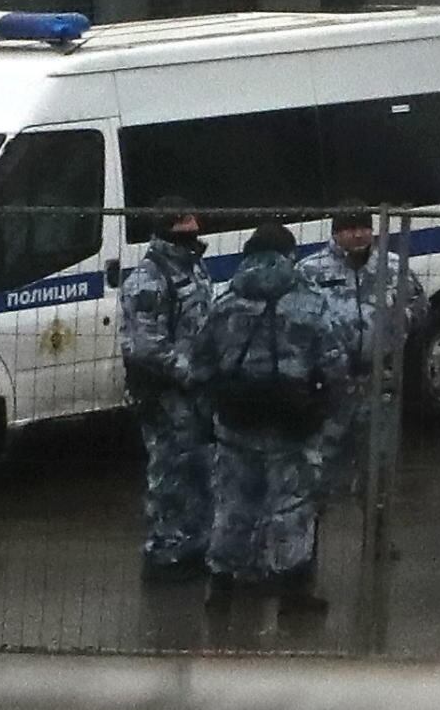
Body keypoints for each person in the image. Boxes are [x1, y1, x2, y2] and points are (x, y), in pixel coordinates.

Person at [188, 220, 358, 617]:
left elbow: (199, 367)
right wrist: (327, 416)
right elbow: (336, 367)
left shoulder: (225, 303)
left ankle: (222, 588)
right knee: (292, 506)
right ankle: (292, 594)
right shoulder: (311, 302)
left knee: (233, 506)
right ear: (289, 255)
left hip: (236, 422)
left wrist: (207, 417)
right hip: (291, 423)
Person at [116, 210, 211, 582]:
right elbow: (145, 346)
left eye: (194, 231)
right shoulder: (148, 279)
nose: (191, 238)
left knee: (198, 470)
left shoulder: (193, 267)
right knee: (169, 472)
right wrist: (188, 371)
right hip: (164, 392)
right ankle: (164, 554)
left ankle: (192, 546)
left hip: (194, 392)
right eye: (182, 233)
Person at [298, 210, 409, 517]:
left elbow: (417, 306)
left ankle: (377, 537)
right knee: (318, 469)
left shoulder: (392, 266)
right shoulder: (310, 270)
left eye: (364, 228)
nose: (358, 235)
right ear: (335, 233)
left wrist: (395, 328)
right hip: (331, 389)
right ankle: (307, 540)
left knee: (379, 467)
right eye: (349, 229)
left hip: (378, 385)